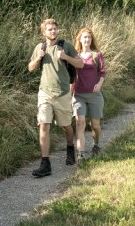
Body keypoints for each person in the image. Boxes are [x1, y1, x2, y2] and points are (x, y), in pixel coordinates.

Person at [28, 18, 84, 177]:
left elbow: (80, 64)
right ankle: (45, 163)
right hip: (44, 93)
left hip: (63, 93)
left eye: (55, 29)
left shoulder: (65, 46)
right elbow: (30, 68)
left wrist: (66, 57)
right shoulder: (40, 47)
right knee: (43, 125)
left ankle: (70, 148)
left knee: (66, 126)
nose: (53, 32)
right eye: (49, 29)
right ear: (43, 32)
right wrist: (38, 57)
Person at [72, 27, 106, 164]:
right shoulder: (75, 56)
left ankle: (96, 144)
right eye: (85, 37)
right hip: (78, 94)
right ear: (80, 39)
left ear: (91, 40)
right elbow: (71, 76)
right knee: (80, 123)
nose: (87, 40)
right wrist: (70, 95)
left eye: (89, 37)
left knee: (95, 125)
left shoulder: (97, 55)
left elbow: (103, 72)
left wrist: (99, 84)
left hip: (94, 95)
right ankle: (80, 154)